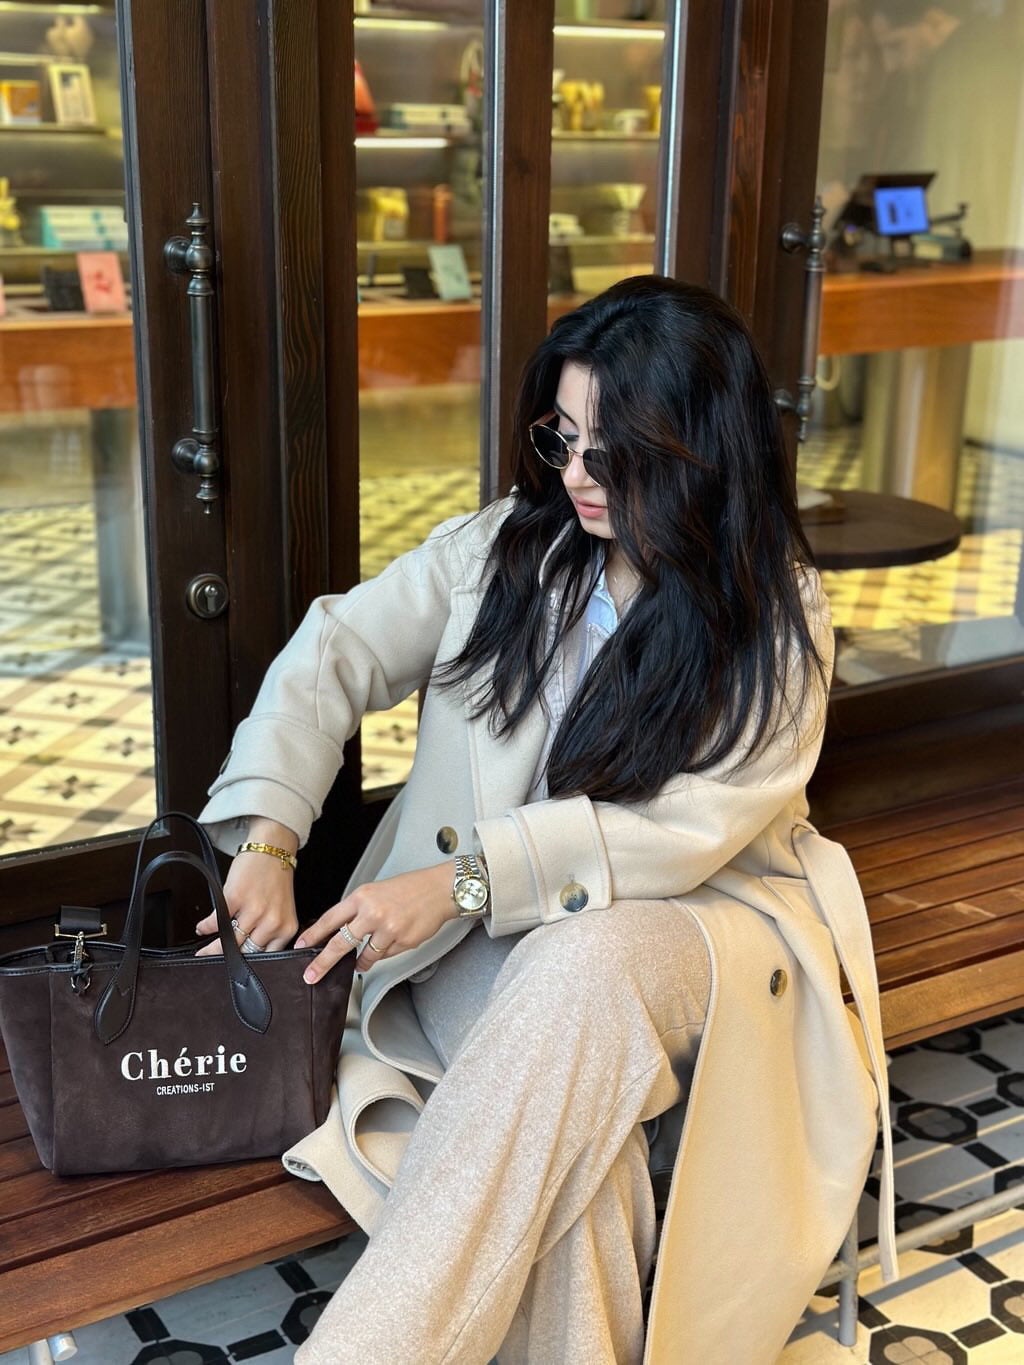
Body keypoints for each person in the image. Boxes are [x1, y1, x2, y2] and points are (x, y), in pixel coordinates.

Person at [197, 275, 898, 1364]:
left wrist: (463, 882)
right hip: (498, 951)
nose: (574, 475)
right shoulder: (503, 552)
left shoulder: (775, 611)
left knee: (584, 962)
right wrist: (268, 839)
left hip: (700, 936)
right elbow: (335, 650)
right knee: (584, 1161)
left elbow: (684, 832)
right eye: (561, 439)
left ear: (696, 451)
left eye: (611, 454)